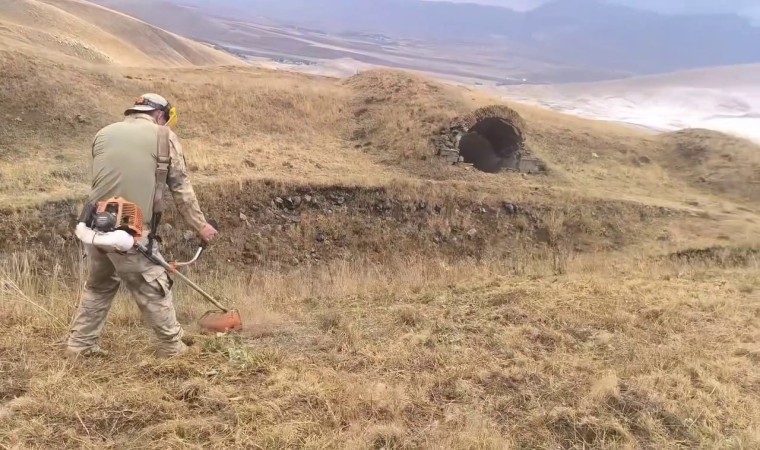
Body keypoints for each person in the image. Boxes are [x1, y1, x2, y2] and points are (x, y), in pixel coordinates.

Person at [65, 93, 217, 359]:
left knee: (98, 287)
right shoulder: (164, 136)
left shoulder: (104, 133)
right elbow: (181, 188)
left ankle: (80, 345)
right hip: (130, 229)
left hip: (93, 225)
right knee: (154, 286)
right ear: (159, 115)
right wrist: (201, 226)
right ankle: (172, 348)